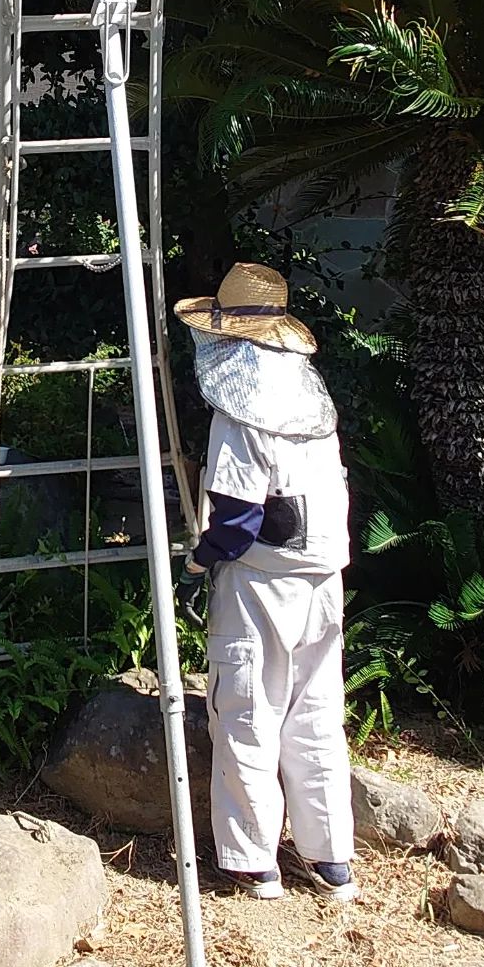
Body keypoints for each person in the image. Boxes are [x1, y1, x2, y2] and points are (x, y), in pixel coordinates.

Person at [173, 262, 359, 903]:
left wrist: (199, 561)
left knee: (247, 712)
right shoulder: (310, 397)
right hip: (324, 580)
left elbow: (238, 517)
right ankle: (331, 857)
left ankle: (254, 862)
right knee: (315, 715)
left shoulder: (240, 412)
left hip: (260, 586)